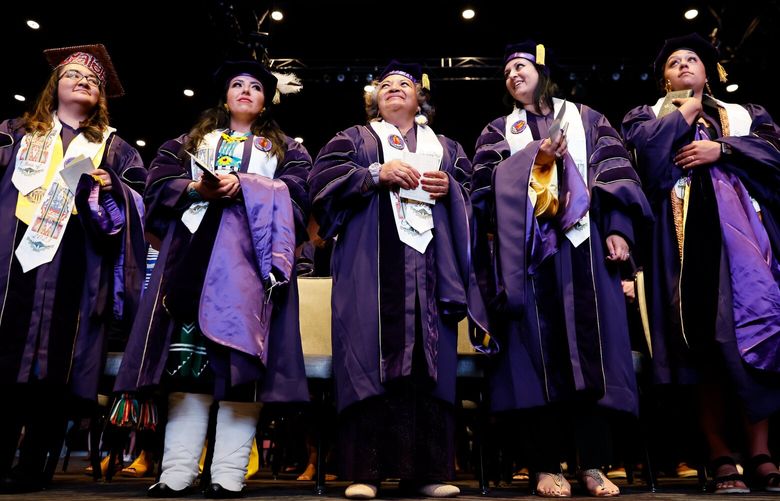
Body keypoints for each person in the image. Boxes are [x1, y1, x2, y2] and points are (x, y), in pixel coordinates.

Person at [114, 56, 310, 498]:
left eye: (255, 88)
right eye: (237, 85)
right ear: (224, 96)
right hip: (193, 257)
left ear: (265, 102)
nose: (245, 91)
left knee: (240, 367)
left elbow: (301, 192)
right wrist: (193, 188)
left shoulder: (285, 150)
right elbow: (157, 182)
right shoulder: (190, 143)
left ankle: (227, 473)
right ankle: (178, 471)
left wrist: (250, 185)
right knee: (189, 368)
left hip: (251, 264)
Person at [471, 41, 652, 497]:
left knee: (592, 357)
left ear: (542, 71)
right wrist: (535, 159)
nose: (512, 75)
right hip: (526, 257)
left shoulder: (587, 119)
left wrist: (619, 231)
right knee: (534, 358)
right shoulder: (498, 130)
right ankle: (544, 464)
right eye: (507, 70)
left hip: (585, 251)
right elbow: (483, 190)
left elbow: (616, 175)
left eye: (521, 66)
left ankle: (592, 465)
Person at [309, 60, 495, 499]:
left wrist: (451, 188)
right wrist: (374, 174)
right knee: (368, 355)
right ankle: (365, 473)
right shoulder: (353, 139)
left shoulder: (447, 148)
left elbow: (474, 196)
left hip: (432, 270)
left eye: (404, 85)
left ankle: (427, 473)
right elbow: (321, 183)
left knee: (427, 360)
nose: (394, 89)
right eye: (385, 85)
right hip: (370, 266)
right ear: (374, 99)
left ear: (420, 98)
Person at [622, 32, 780, 494]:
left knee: (760, 333)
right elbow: (645, 162)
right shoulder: (647, 116)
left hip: (749, 243)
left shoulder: (743, 116)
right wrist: (684, 111)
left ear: (708, 72)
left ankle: (761, 451)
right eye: (674, 63)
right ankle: (718, 453)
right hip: (683, 246)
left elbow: (774, 157)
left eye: (693, 60)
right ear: (664, 77)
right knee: (701, 343)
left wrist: (723, 149)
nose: (685, 66)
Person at [0, 43, 146, 493]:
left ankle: (34, 465)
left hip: (77, 260)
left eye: (93, 80)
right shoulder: (14, 133)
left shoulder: (115, 148)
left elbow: (139, 203)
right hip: (13, 260)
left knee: (57, 364)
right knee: (5, 357)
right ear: (54, 86)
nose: (83, 80)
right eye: (73, 75)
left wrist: (113, 187)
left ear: (101, 96)